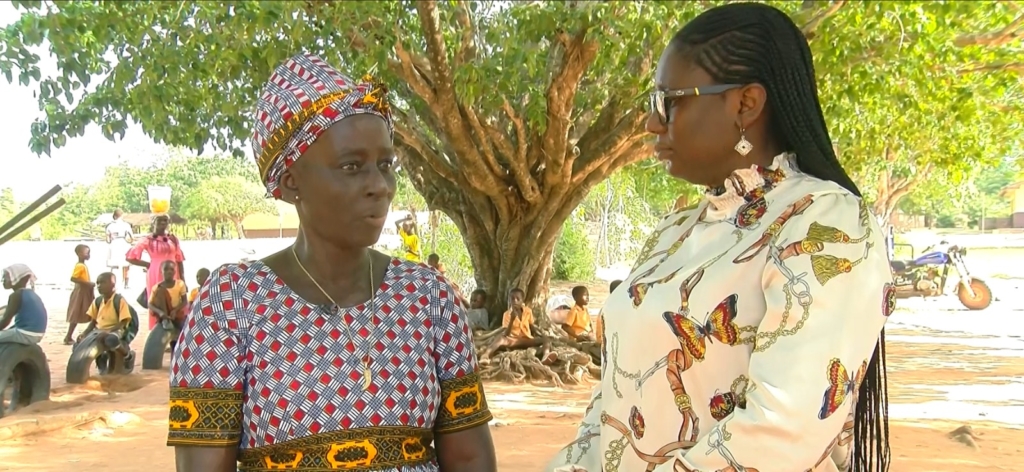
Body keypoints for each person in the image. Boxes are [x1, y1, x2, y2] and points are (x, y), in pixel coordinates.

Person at [546, 4, 892, 472]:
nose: (652, 123)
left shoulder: (825, 225)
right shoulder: (673, 232)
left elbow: (780, 435)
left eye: (669, 101)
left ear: (745, 104)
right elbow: (611, 403)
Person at [167, 53, 496, 472]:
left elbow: (469, 456)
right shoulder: (232, 304)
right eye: (351, 167)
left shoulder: (428, 297)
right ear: (290, 182)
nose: (379, 186)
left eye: (385, 165)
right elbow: (202, 466)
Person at [126, 213, 186, 318]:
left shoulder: (172, 239)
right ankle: (157, 326)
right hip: (156, 272)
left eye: (165, 220)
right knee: (157, 298)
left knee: (175, 297)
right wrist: (148, 264)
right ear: (154, 222)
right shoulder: (147, 239)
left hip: (173, 271)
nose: (163, 223)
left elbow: (179, 260)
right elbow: (130, 257)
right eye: (159, 220)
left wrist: (183, 279)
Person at [78, 272, 136, 373]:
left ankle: (128, 356)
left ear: (113, 284)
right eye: (97, 283)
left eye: (102, 283)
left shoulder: (119, 300)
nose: (99, 286)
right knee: (80, 343)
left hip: (116, 329)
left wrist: (109, 331)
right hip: (99, 330)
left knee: (111, 339)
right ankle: (101, 363)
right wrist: (84, 333)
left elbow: (123, 322)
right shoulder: (98, 301)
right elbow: (93, 322)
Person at [480, 288, 554, 364]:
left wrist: (540, 334)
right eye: (512, 299)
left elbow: (532, 326)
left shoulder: (528, 311)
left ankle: (546, 355)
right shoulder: (507, 314)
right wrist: (512, 320)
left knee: (546, 339)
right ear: (509, 300)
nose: (515, 301)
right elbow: (506, 334)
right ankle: (485, 355)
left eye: (518, 299)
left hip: (527, 339)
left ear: (522, 300)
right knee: (500, 338)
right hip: (513, 341)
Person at [0, 264, 46, 345]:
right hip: (37, 333)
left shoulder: (15, 295)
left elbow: (5, 321)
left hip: (26, 334)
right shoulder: (29, 293)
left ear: (17, 278)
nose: (3, 280)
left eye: (6, 277)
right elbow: (7, 309)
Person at [149, 260, 188, 352]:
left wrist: (175, 311)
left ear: (175, 271)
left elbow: (184, 301)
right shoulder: (156, 287)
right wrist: (160, 312)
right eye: (166, 269)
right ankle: (166, 320)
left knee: (184, 332)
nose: (169, 271)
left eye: (171, 269)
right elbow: (149, 304)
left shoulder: (180, 284)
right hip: (164, 313)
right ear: (161, 271)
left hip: (176, 313)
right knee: (160, 291)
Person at [64, 244, 96, 345]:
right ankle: (68, 337)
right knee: (77, 313)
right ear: (79, 254)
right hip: (81, 292)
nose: (88, 255)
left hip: (85, 291)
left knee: (92, 312)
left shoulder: (82, 265)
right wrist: (88, 283)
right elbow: (73, 278)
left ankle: (90, 333)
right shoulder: (80, 266)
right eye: (87, 253)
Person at [105, 209, 134, 289]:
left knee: (114, 265)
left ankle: (113, 283)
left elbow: (108, 240)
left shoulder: (109, 226)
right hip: (124, 244)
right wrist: (128, 241)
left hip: (114, 244)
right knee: (126, 264)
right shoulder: (126, 225)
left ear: (114, 216)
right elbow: (132, 237)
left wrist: (112, 239)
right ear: (122, 216)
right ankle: (126, 284)